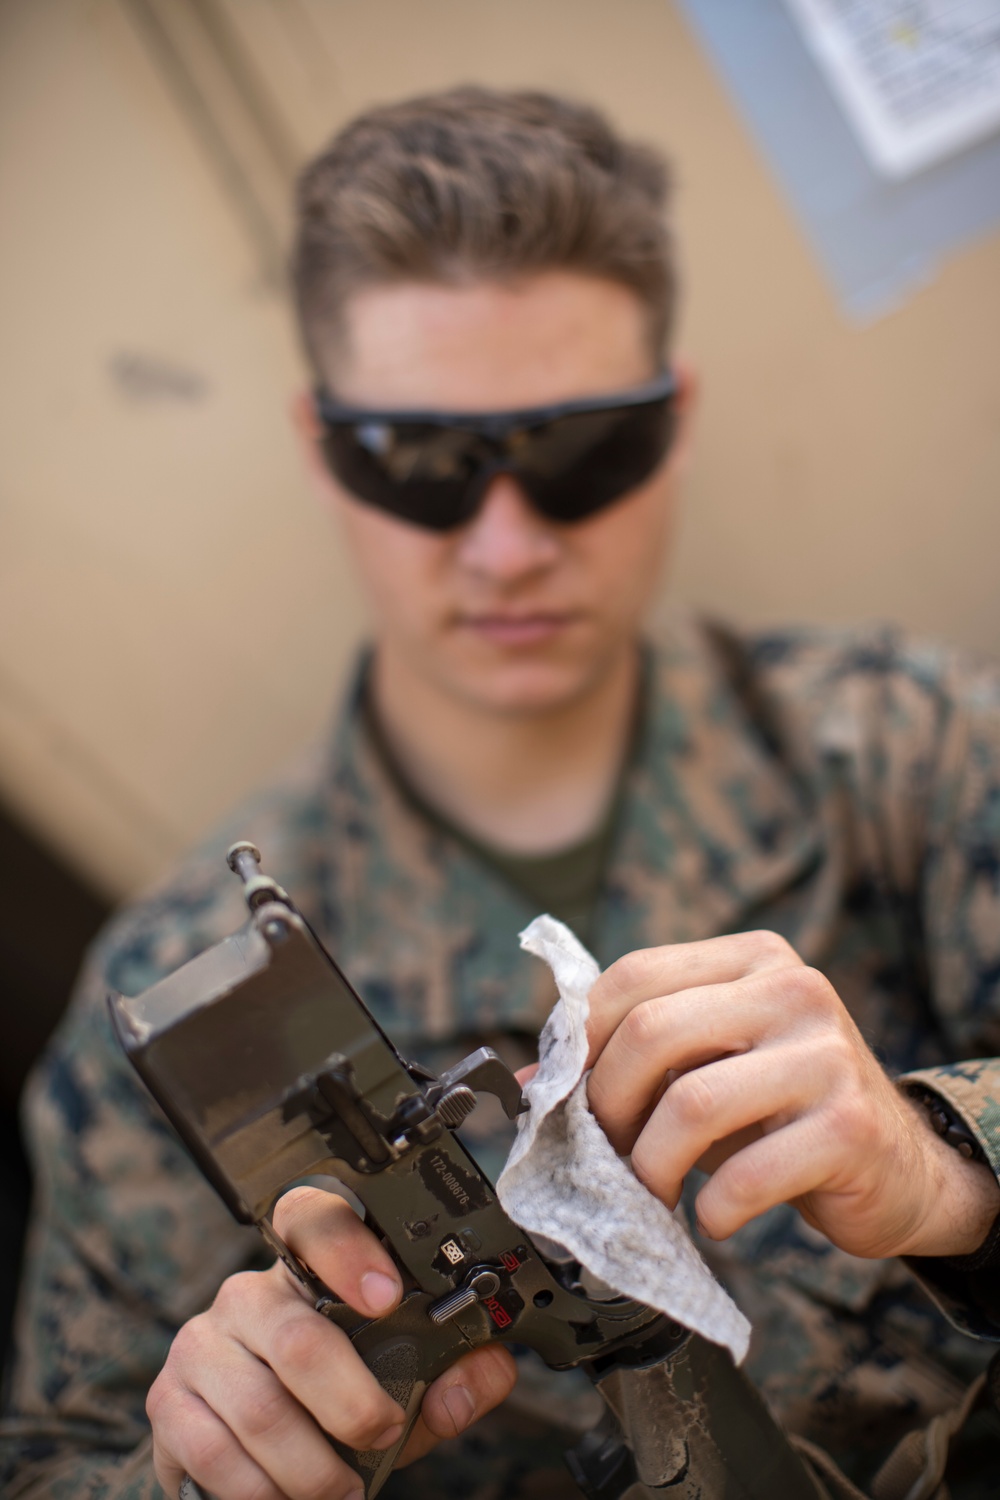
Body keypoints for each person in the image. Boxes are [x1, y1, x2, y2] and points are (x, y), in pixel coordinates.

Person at [2, 86, 1000, 1500]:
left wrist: (953, 1172)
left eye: (579, 451)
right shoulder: (176, 1011)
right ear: (320, 449)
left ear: (677, 424)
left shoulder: (923, 761)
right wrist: (191, 1472)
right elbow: (51, 1468)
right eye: (420, 465)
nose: (509, 544)